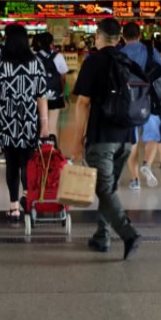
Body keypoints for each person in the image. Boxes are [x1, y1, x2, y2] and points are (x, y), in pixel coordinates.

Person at [63, 18, 143, 260]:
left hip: (102, 138)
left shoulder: (93, 62)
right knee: (109, 189)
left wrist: (78, 140)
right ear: (119, 38)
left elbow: (83, 103)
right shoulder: (127, 61)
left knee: (104, 190)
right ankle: (102, 236)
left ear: (98, 36)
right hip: (126, 137)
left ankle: (128, 234)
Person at [0, 24, 48, 223]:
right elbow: (41, 95)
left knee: (12, 164)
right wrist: (45, 124)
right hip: (29, 120)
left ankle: (14, 207)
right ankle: (28, 199)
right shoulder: (36, 63)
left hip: (6, 121)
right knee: (27, 163)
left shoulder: (0, 64)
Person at [120, 22, 161, 191]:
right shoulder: (151, 52)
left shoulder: (119, 53)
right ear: (140, 35)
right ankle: (147, 164)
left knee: (132, 141)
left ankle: (135, 179)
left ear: (123, 37)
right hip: (149, 100)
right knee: (152, 136)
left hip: (127, 102)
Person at [32, 32, 69, 135]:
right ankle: (52, 144)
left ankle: (40, 144)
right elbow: (63, 78)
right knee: (52, 125)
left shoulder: (34, 57)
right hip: (55, 94)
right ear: (52, 42)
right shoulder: (58, 56)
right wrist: (63, 93)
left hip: (38, 95)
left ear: (39, 43)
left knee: (40, 125)